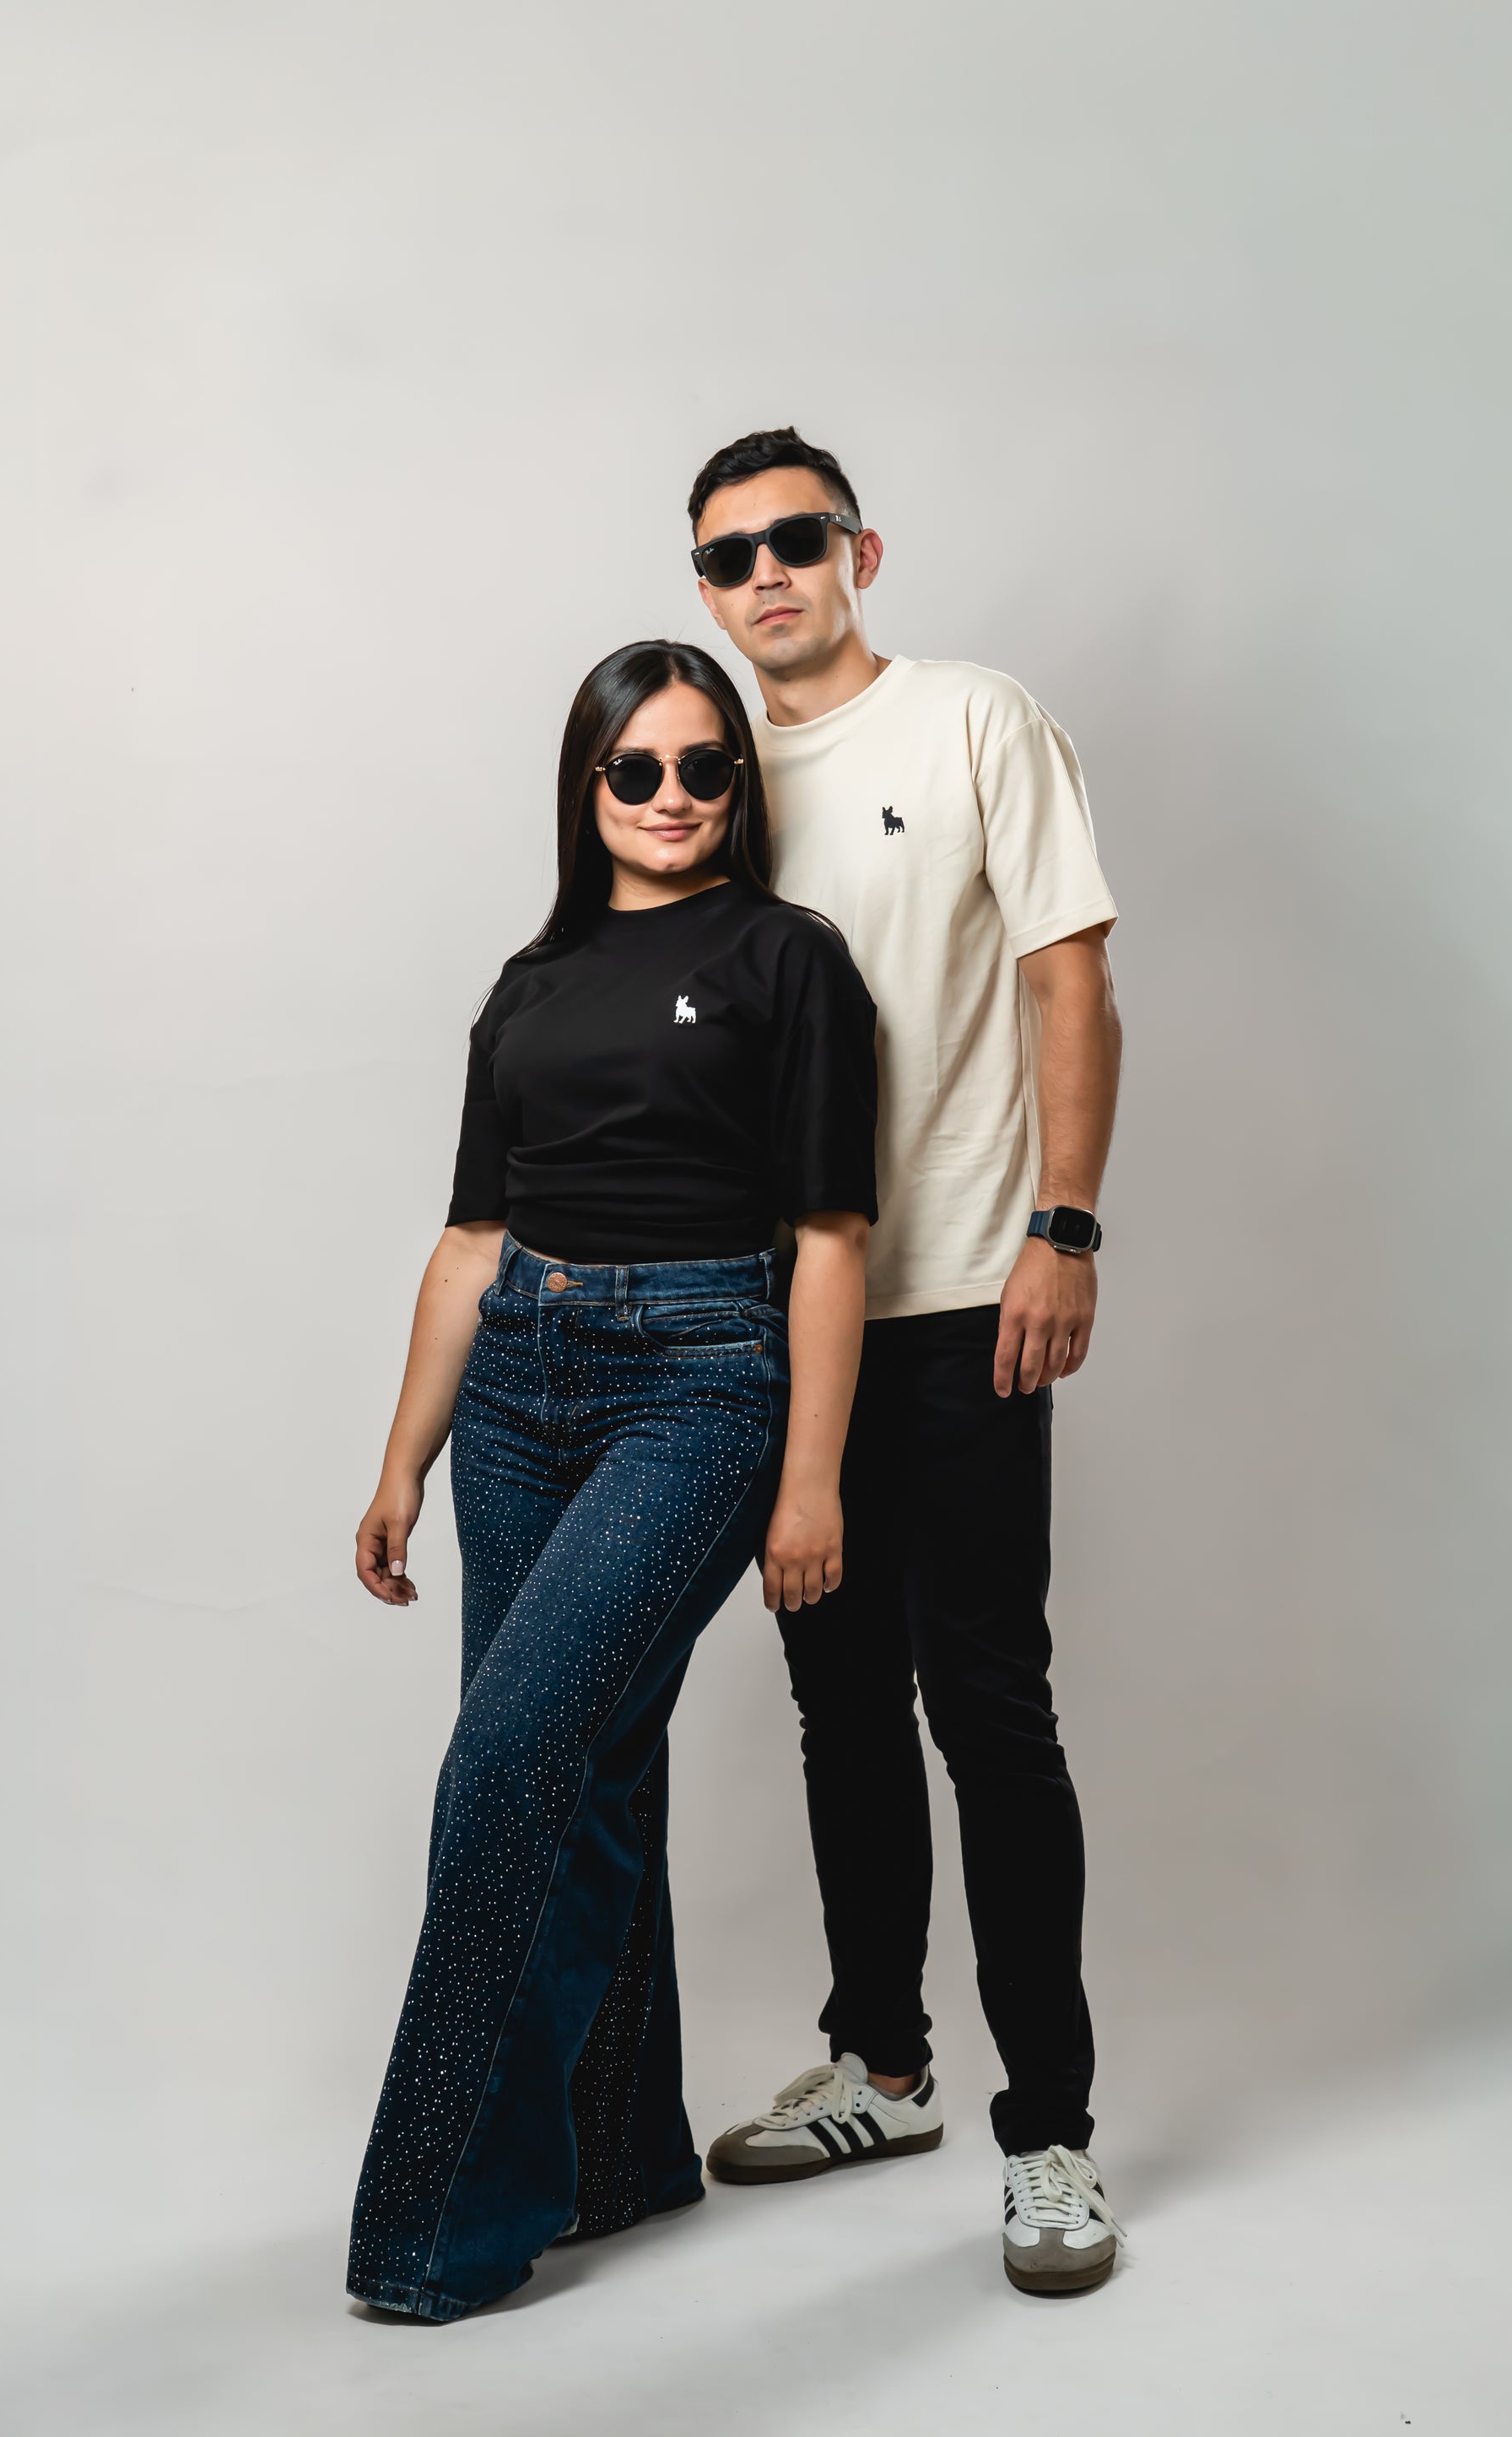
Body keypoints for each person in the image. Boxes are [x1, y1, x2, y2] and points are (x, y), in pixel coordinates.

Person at [344, 639, 878, 2321]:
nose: (669, 796)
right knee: (588, 1765)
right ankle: (616, 2150)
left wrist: (809, 1480)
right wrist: (403, 1458)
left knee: (508, 1762)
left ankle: (438, 2225)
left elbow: (828, 1236)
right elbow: (470, 1238)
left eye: (703, 766)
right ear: (587, 788)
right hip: (515, 1380)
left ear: (739, 784)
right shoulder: (531, 982)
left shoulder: (788, 959)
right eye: (633, 769)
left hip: (701, 1378)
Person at [688, 428, 1126, 2295]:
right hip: (778, 1312)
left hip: (960, 1290)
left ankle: (1051, 2137)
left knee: (989, 1707)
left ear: (858, 552)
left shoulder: (969, 719)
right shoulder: (705, 770)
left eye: (794, 539)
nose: (765, 576)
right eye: (727, 556)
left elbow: (1067, 975)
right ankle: (883, 2066)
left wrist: (1063, 1222)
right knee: (840, 1705)